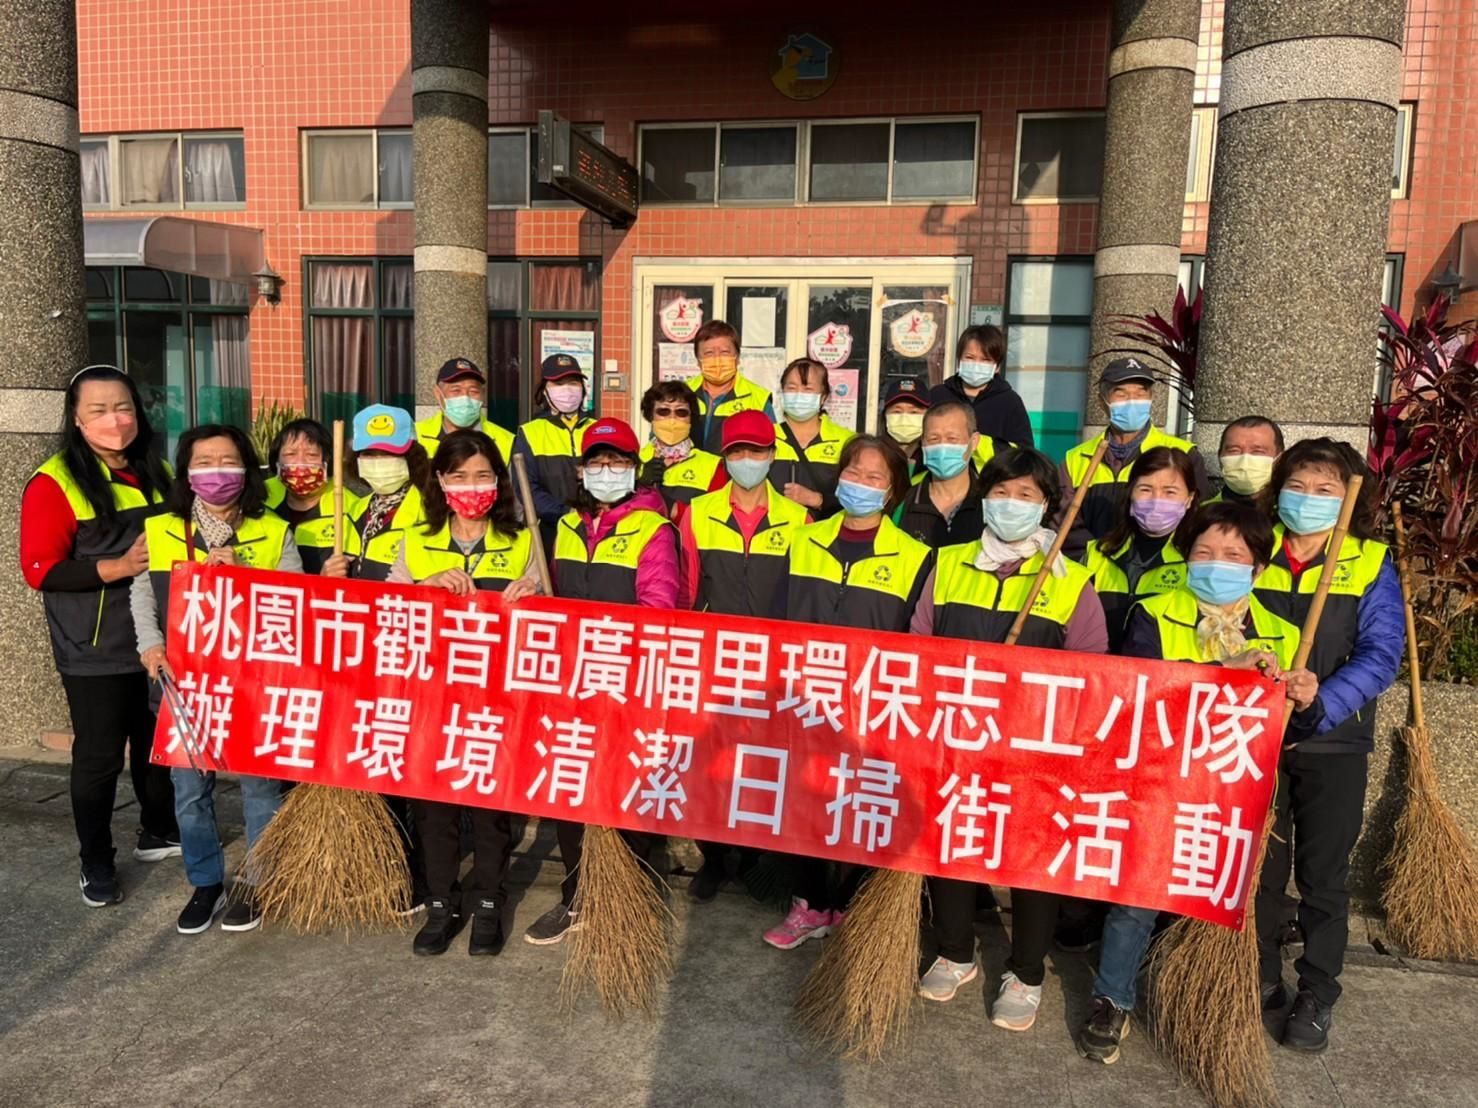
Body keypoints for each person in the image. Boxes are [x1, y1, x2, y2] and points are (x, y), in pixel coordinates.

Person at [1077, 501, 1319, 1064]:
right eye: (1204, 553)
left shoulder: (1283, 630)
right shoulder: (1154, 613)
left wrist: (1306, 699)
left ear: (1259, 568)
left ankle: (1191, 992)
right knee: (1136, 893)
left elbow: (1292, 730)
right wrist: (1220, 675)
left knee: (1213, 899)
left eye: (1234, 556)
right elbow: (1137, 693)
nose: (1217, 564)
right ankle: (1112, 998)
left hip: (1233, 792)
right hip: (1158, 778)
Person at [907, 447, 1109, 1028]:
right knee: (952, 842)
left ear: (1048, 508)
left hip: (1034, 751)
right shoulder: (948, 564)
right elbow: (919, 645)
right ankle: (954, 951)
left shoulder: (1071, 584)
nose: (1011, 505)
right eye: (1001, 492)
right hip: (957, 735)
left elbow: (1091, 673)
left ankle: (1025, 973)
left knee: (1032, 860)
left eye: (1027, 496)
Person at [1251, 438, 1403, 1052]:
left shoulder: (1367, 561)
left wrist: (1322, 697)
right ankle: (1258, 975)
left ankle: (1317, 989)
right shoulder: (1253, 547)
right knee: (1259, 869)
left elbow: (1381, 653)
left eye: (1326, 490)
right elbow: (1220, 623)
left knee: (1324, 875)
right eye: (1298, 485)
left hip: (1332, 742)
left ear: (1349, 500)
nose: (1308, 499)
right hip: (1255, 737)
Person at [763, 435, 934, 949]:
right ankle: (808, 904)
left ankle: (852, 905)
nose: (860, 484)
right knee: (805, 799)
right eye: (853, 472)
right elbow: (778, 618)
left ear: (892, 493)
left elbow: (916, 640)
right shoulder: (802, 539)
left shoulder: (916, 557)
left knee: (864, 803)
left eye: (874, 478)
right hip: (806, 698)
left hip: (873, 704)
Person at [131, 424, 300, 935]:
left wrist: (242, 572)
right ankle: (206, 881)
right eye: (204, 462)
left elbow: (291, 603)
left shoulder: (272, 530)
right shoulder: (161, 528)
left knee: (261, 788)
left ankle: (256, 881)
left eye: (227, 460)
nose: (216, 472)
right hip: (182, 683)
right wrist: (150, 645)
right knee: (189, 788)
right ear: (186, 472)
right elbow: (142, 595)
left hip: (251, 685)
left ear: (247, 469)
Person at [21, 365, 177, 907]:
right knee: (100, 755)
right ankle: (96, 861)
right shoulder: (54, 481)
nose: (115, 420)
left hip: (153, 637)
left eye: (124, 407)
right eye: (99, 410)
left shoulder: (151, 469)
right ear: (76, 419)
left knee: (156, 740)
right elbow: (41, 568)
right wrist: (117, 567)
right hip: (94, 647)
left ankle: (158, 830)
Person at [524, 417, 679, 947]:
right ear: (580, 470)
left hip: (627, 682)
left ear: (635, 470)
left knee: (625, 789)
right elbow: (555, 595)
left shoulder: (654, 529)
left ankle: (628, 897)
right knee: (570, 788)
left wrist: (612, 656)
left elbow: (658, 609)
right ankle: (575, 896)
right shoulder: (567, 527)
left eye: (617, 462)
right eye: (597, 462)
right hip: (572, 682)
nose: (606, 470)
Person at [388, 430, 538, 957]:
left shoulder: (524, 541)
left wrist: (535, 596)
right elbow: (387, 610)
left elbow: (554, 618)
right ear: (441, 483)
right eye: (458, 477)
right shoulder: (414, 539)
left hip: (496, 698)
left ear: (498, 482)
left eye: (482, 476)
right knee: (434, 808)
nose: (471, 487)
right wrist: (422, 588)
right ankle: (440, 903)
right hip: (430, 694)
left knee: (491, 807)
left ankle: (489, 903)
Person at [678, 410, 810, 900]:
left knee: (761, 763)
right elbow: (689, 589)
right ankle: (714, 858)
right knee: (711, 762)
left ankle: (754, 858)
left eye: (757, 450)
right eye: (738, 452)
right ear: (726, 457)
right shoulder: (698, 512)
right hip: (715, 659)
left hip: (773, 668)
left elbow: (802, 593)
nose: (748, 459)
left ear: (772, 455)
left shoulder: (799, 519)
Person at [1059, 357, 1208, 548]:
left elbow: (1197, 517)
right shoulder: (1076, 458)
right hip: (1091, 569)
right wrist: (1095, 559)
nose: (1132, 401)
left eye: (1140, 394)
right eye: (1121, 394)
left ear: (1151, 398)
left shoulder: (1183, 454)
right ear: (1102, 400)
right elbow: (1064, 523)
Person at [1083, 446, 1201, 649]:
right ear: (1130, 493)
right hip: (1099, 672)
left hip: (1163, 675)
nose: (1157, 500)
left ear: (1189, 499)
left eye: (1170, 492)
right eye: (1145, 489)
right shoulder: (1096, 552)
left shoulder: (1196, 561)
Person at [513, 353, 597, 551]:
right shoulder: (530, 432)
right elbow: (527, 488)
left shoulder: (597, 429)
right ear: (544, 390)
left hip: (596, 528)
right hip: (550, 532)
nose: (567, 389)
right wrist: (565, 514)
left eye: (573, 382)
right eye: (558, 383)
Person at [264, 417, 359, 576]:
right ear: (276, 461)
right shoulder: (259, 498)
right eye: (290, 453)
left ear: (327, 461)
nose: (300, 463)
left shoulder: (351, 509)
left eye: (312, 454)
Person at [348, 405, 430, 581]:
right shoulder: (352, 512)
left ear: (412, 457)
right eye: (369, 454)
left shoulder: (430, 513)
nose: (378, 462)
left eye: (389, 453)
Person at [895, 400, 987, 548]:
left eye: (952, 439)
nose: (942, 446)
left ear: (974, 441)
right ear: (923, 443)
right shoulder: (901, 502)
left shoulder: (991, 502)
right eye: (934, 439)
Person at [769, 356, 855, 516]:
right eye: (792, 388)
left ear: (824, 397)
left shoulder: (847, 442)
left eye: (808, 389)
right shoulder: (766, 437)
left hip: (824, 537)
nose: (798, 395)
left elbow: (858, 500)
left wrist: (818, 500)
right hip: (773, 535)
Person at [927, 324, 1034, 447]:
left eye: (985, 360)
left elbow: (1024, 452)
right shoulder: (937, 395)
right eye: (969, 357)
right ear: (959, 359)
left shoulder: (1010, 402)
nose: (976, 365)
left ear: (997, 366)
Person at [685, 320, 774, 453]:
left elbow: (771, 446)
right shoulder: (682, 393)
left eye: (725, 352)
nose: (717, 359)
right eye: (709, 353)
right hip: (686, 472)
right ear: (698, 360)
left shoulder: (757, 398)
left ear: (737, 357)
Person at [636, 380, 722, 511]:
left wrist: (675, 509)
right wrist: (640, 485)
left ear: (691, 418)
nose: (672, 419)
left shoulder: (713, 466)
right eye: (663, 411)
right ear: (650, 416)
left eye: (681, 412)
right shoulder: (634, 461)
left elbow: (716, 514)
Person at [414, 357, 516, 466]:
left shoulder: (505, 441)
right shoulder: (415, 436)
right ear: (438, 394)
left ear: (483, 394)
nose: (465, 398)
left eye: (473, 391)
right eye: (456, 390)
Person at [1211, 415, 1284, 505]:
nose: (1244, 460)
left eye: (1258, 451)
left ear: (1280, 458)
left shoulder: (1291, 516)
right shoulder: (1201, 515)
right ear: (1220, 456)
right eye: (1234, 450)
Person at [880, 377, 932, 482]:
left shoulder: (934, 460)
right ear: (885, 416)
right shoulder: (873, 455)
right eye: (897, 411)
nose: (904, 418)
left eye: (914, 412)